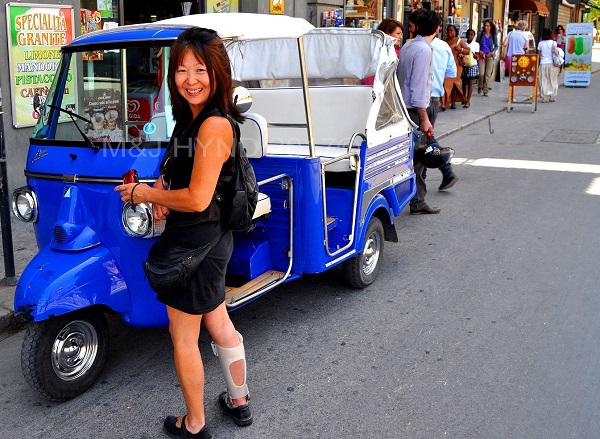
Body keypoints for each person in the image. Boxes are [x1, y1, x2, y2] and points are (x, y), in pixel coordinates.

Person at [115, 27, 252, 438]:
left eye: (201, 69)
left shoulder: (213, 126)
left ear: (218, 72)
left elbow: (196, 198)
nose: (190, 79)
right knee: (219, 320)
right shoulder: (191, 119)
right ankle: (239, 401)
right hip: (209, 240)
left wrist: (142, 192)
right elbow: (184, 182)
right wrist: (159, 193)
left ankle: (194, 425)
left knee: (184, 338)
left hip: (194, 243)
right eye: (181, 70)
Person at [397, 10, 441, 214]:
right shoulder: (423, 50)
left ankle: (415, 198)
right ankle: (416, 201)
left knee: (415, 157)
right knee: (420, 158)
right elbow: (418, 87)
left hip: (404, 108)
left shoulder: (409, 45)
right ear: (437, 29)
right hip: (415, 110)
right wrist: (424, 118)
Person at [430, 32, 459, 190]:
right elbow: (452, 73)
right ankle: (447, 171)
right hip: (434, 99)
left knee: (425, 139)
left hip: (418, 102)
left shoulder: (413, 46)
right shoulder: (443, 46)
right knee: (426, 138)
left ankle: (446, 171)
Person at [362, 18, 404, 85]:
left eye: (401, 34)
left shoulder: (372, 49)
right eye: (398, 33)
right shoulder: (383, 52)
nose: (401, 37)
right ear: (388, 34)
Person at [442, 24, 469, 110]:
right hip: (446, 66)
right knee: (445, 83)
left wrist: (460, 49)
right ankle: (444, 102)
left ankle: (453, 102)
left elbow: (468, 51)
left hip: (457, 66)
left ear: (455, 32)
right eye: (448, 30)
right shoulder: (444, 41)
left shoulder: (459, 41)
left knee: (454, 84)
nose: (449, 32)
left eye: (451, 30)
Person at [537, 27, 560, 103]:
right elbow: (556, 52)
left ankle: (544, 97)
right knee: (552, 80)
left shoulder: (540, 43)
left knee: (543, 80)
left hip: (543, 63)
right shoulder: (553, 43)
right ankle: (552, 96)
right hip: (552, 64)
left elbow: (539, 55)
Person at [476, 19, 498, 96]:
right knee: (481, 73)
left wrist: (492, 53)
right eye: (485, 26)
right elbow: (477, 44)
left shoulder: (493, 35)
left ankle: (485, 90)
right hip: (481, 55)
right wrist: (479, 51)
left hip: (490, 55)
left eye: (488, 26)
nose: (486, 27)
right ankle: (480, 86)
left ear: (491, 27)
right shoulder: (481, 34)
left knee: (487, 74)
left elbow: (496, 46)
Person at [462, 29, 479, 108]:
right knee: (464, 82)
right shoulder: (463, 43)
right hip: (464, 64)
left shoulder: (476, 45)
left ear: (474, 36)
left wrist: (470, 52)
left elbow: (477, 56)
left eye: (471, 35)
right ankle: (464, 97)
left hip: (472, 64)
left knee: (470, 82)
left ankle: (468, 99)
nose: (469, 36)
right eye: (468, 34)